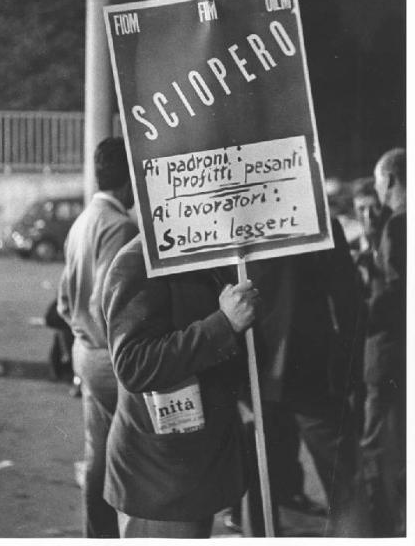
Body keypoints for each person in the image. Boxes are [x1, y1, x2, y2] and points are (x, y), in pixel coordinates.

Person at [101, 235, 258, 538]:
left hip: (192, 468)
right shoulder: (137, 259)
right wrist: (224, 324)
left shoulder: (200, 249)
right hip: (159, 481)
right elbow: (132, 364)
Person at [241, 218, 370, 537]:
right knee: (344, 485)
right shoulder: (318, 218)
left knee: (261, 484)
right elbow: (349, 302)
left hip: (257, 373)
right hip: (310, 373)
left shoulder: (237, 225)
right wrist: (350, 374)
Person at [57, 137, 138, 538]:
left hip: (84, 352)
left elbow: (62, 303)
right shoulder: (120, 227)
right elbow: (106, 302)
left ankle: (98, 535)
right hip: (111, 356)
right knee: (134, 461)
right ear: (129, 180)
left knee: (98, 457)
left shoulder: (81, 223)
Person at [361, 148, 406, 536]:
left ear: (389, 180)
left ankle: (381, 528)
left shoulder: (398, 226)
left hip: (389, 351)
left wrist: (359, 319)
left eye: (378, 183)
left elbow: (393, 293)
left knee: (379, 442)